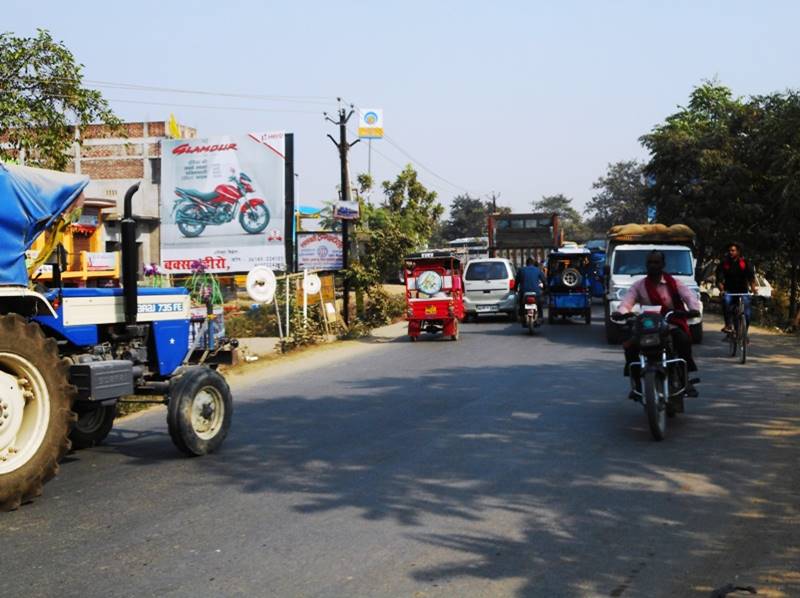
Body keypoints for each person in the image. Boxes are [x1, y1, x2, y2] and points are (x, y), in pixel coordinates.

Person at [614, 250, 701, 398]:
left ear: (663, 264)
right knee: (630, 347)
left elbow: (689, 297)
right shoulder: (639, 285)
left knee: (683, 340)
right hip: (647, 325)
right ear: (646, 265)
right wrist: (621, 312)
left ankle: (685, 379)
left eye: (656, 262)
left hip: (669, 323)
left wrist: (693, 310)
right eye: (650, 262)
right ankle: (637, 385)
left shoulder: (674, 283)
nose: (653, 265)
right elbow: (627, 302)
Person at [716, 242, 757, 333]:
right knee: (726, 301)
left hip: (743, 292)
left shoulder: (745, 263)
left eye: (733, 250)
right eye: (729, 251)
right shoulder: (724, 264)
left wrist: (753, 289)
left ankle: (744, 333)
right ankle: (728, 325)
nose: (730, 252)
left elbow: (751, 278)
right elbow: (719, 280)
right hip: (729, 291)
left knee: (747, 314)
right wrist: (722, 290)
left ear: (738, 252)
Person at [516, 257, 546, 322]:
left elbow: (516, 282)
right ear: (533, 263)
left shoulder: (521, 270)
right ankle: (540, 317)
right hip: (536, 292)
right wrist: (545, 289)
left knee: (520, 302)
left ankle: (521, 315)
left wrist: (515, 289)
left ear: (526, 263)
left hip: (524, 291)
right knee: (539, 303)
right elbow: (544, 281)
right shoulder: (538, 270)